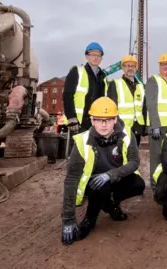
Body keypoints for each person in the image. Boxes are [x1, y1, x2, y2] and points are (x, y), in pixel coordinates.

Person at [61, 97, 145, 246]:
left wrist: (110, 175)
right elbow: (71, 180)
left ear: (115, 119)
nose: (104, 124)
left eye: (108, 119)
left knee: (138, 184)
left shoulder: (126, 134)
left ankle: (110, 205)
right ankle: (90, 219)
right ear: (92, 120)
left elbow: (134, 162)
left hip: (116, 177)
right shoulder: (82, 141)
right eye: (99, 120)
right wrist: (68, 220)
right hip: (94, 184)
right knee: (100, 186)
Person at [145, 53, 167, 191]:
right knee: (156, 158)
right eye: (164, 64)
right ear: (159, 66)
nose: (166, 67)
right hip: (159, 128)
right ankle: (156, 186)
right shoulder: (154, 80)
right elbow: (151, 104)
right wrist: (155, 126)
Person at [63, 42, 108, 133]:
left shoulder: (103, 77)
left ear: (101, 59)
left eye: (98, 55)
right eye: (93, 54)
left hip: (96, 123)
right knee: (77, 147)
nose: (96, 57)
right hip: (78, 123)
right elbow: (67, 95)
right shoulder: (77, 72)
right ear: (87, 57)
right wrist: (71, 117)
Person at [106, 55, 147, 146]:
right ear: (123, 68)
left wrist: (145, 127)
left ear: (136, 68)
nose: (130, 68)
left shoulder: (141, 87)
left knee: (134, 155)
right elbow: (112, 107)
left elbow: (144, 108)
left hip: (137, 127)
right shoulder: (115, 84)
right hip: (121, 128)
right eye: (127, 66)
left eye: (133, 66)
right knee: (120, 156)